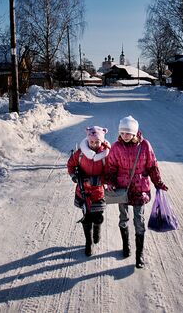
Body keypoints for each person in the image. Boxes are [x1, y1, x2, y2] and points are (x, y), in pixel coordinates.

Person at [106, 115, 168, 269]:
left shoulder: (145, 146)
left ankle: (139, 254)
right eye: (122, 133)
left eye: (128, 133)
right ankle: (126, 246)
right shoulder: (116, 147)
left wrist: (158, 183)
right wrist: (110, 182)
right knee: (123, 217)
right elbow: (111, 168)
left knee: (139, 221)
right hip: (122, 189)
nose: (124, 136)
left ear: (134, 133)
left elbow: (153, 166)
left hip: (140, 188)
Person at [67, 125, 111, 256]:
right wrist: (74, 175)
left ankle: (97, 228)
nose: (94, 144)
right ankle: (88, 242)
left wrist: (101, 180)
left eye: (97, 141)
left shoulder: (106, 155)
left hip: (98, 191)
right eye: (92, 141)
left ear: (102, 141)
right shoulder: (80, 153)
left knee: (98, 216)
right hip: (83, 191)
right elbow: (70, 164)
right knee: (86, 217)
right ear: (88, 140)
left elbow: (110, 172)